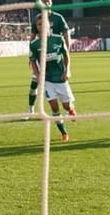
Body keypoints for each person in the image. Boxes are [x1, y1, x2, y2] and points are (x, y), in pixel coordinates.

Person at [29, 8, 78, 142]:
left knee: (67, 106)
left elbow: (66, 55)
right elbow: (33, 61)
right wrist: (38, 75)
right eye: (38, 24)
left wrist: (67, 70)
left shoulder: (58, 39)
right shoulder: (34, 45)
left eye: (43, 23)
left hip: (60, 79)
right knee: (54, 106)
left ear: (48, 24)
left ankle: (71, 109)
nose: (41, 26)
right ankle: (64, 133)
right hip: (47, 80)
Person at [25, 0, 71, 116]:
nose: (46, 4)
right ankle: (30, 109)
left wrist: (67, 50)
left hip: (55, 56)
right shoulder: (37, 19)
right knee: (34, 83)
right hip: (41, 56)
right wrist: (30, 55)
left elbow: (66, 34)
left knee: (60, 81)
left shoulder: (58, 18)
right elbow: (33, 36)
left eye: (48, 2)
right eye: (43, 2)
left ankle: (66, 109)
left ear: (51, 3)